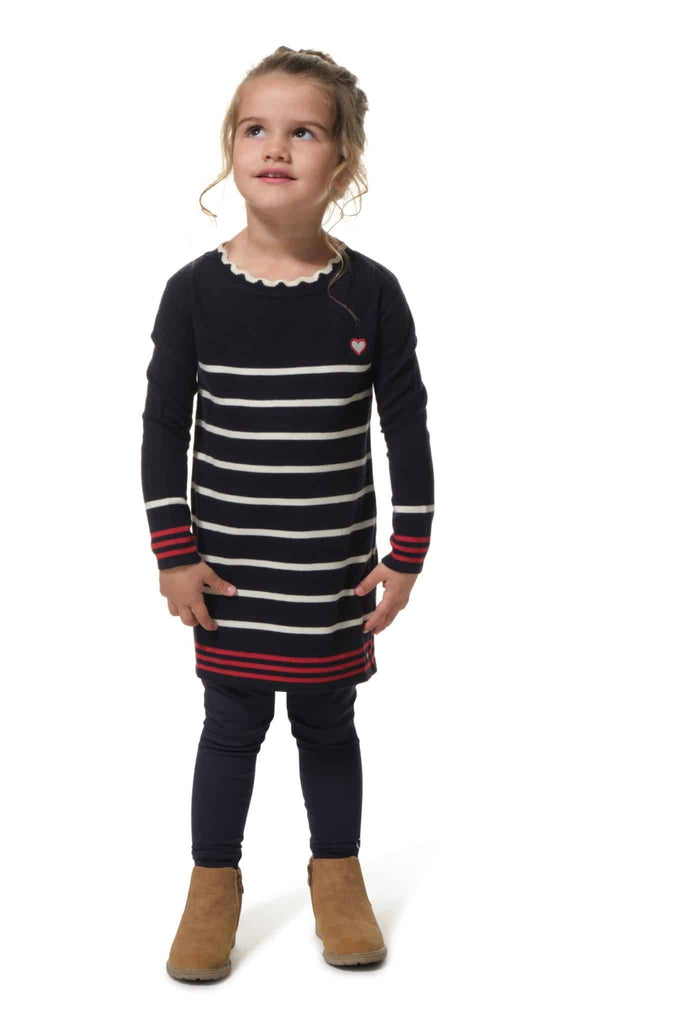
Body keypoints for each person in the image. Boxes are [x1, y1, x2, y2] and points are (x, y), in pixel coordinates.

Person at [141, 46, 435, 981]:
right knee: (229, 727)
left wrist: (407, 554)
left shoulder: (371, 293)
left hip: (329, 575)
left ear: (341, 163)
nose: (275, 147)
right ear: (230, 148)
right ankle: (211, 887)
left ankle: (336, 876)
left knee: (326, 723)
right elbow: (163, 428)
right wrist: (174, 553)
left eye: (302, 131)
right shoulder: (193, 292)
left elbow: (405, 427)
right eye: (255, 128)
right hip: (228, 577)